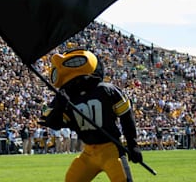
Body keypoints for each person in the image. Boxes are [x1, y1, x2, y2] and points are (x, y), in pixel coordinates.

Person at [41, 49, 142, 182]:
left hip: (111, 150)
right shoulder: (66, 96)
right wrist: (60, 105)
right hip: (88, 152)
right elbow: (53, 123)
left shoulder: (106, 90)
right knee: (71, 179)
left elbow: (126, 117)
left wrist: (132, 144)